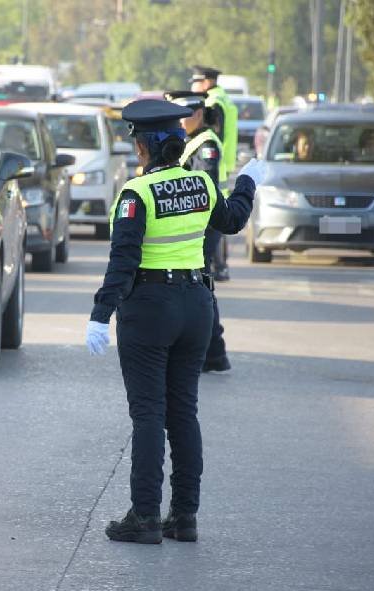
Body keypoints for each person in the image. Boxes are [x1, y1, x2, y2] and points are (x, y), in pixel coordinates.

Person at [84, 99, 265, 544]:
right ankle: (184, 517)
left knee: (148, 413)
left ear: (142, 148)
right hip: (197, 305)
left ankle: (145, 516)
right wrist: (247, 183)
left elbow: (123, 262)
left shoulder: (137, 194)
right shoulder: (202, 183)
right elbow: (234, 220)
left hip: (150, 308)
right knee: (183, 412)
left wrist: (100, 314)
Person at [166, 90, 231, 372]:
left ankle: (212, 353)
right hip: (197, 226)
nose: (179, 122)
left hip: (205, 226)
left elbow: (203, 186)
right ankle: (213, 353)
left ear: (199, 114)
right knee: (200, 287)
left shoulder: (206, 145)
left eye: (183, 116)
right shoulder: (191, 140)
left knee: (200, 289)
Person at [190, 65, 236, 282]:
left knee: (213, 223)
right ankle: (220, 266)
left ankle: (219, 266)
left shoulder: (212, 102)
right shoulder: (224, 99)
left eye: (196, 82)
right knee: (218, 221)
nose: (194, 87)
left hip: (212, 164)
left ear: (207, 82)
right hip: (222, 164)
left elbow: (214, 134)